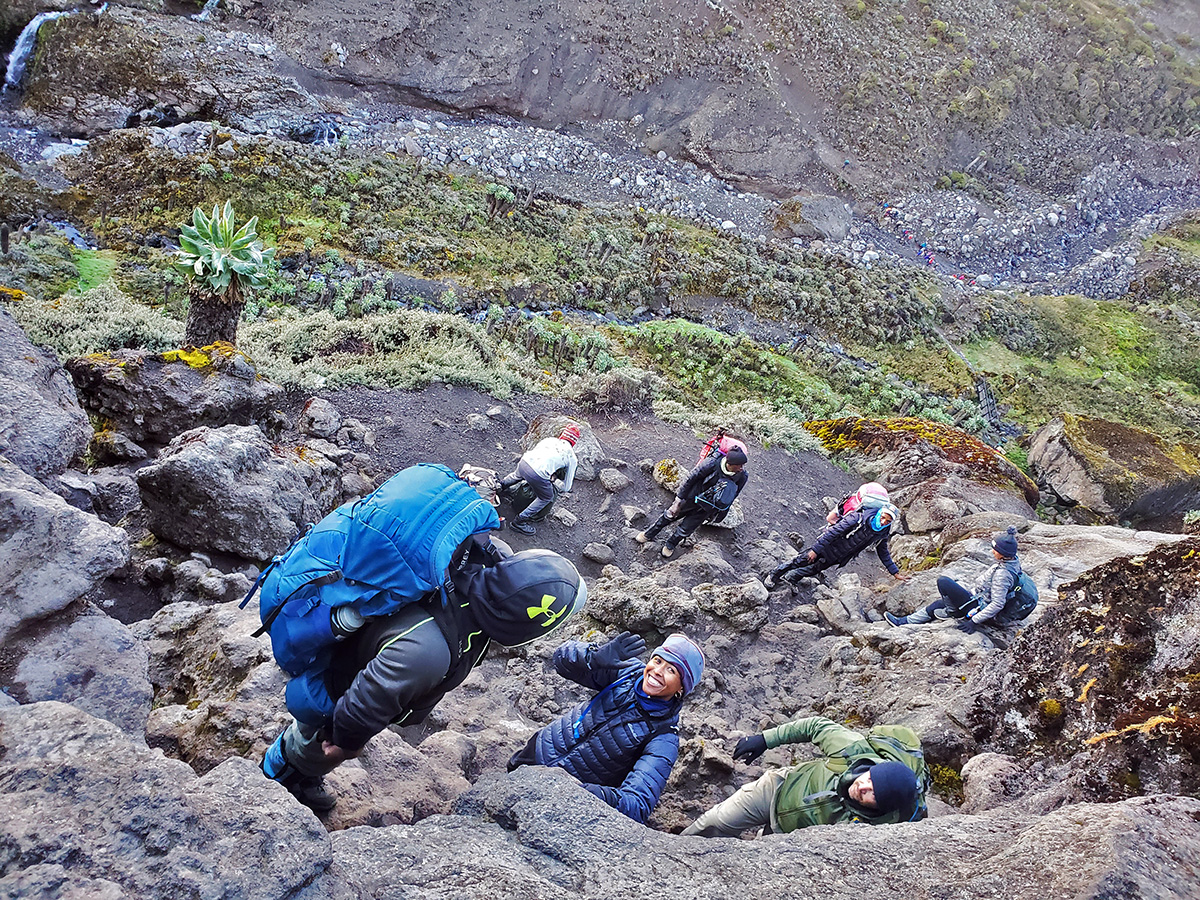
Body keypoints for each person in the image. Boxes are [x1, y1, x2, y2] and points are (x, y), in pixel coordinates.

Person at [261, 539, 588, 813]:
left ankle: (297, 769)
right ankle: (279, 776)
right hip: (340, 682)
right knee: (313, 739)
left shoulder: (481, 574)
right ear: (529, 624)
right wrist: (347, 745)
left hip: (370, 659)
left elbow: (501, 552)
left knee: (316, 737)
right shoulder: (428, 650)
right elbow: (361, 706)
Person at [508, 631, 704, 824]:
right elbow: (560, 660)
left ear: (681, 687)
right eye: (658, 661)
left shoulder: (664, 738)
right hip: (539, 750)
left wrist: (589, 793)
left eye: (671, 670)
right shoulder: (626, 671)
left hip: (565, 790)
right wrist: (593, 657)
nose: (658, 671)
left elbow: (638, 805)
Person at [682, 716, 921, 837]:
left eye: (873, 795)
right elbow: (815, 725)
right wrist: (765, 740)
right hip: (779, 788)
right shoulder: (852, 750)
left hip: (793, 837)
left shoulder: (876, 830)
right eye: (869, 779)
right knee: (710, 826)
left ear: (883, 809)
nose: (863, 787)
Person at [886, 525, 1023, 632]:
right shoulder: (1012, 563)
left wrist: (973, 621)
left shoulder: (1003, 574)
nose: (993, 551)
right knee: (938, 604)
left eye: (995, 549)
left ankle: (955, 612)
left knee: (943, 582)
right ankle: (903, 622)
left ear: (1003, 553)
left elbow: (997, 603)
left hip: (978, 608)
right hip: (978, 599)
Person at [636, 446, 749, 558]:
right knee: (670, 515)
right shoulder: (712, 463)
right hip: (691, 498)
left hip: (707, 508)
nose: (741, 468)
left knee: (686, 528)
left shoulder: (742, 476)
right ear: (729, 463)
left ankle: (671, 544)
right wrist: (678, 501)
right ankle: (649, 533)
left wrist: (718, 513)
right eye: (739, 465)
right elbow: (691, 478)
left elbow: (733, 495)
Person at [765, 502, 904, 588]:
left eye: (888, 520)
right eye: (883, 517)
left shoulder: (883, 532)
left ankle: (792, 578)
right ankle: (774, 575)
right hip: (827, 547)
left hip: (840, 556)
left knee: (814, 570)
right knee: (801, 560)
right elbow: (833, 532)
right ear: (880, 513)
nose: (884, 521)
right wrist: (815, 549)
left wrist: (894, 572)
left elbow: (883, 551)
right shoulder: (858, 518)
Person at [501, 423, 581, 535]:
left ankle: (499, 487)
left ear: (562, 435)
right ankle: (519, 521)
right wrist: (554, 480)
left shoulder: (549, 440)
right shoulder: (571, 457)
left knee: (516, 476)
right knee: (546, 497)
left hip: (524, 462)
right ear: (574, 442)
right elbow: (567, 487)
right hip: (538, 474)